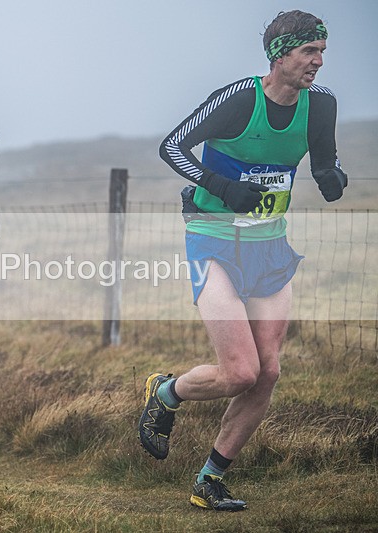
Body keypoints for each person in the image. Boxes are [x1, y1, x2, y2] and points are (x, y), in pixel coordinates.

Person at [142, 10, 346, 510]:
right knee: (239, 372)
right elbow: (173, 146)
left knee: (268, 371)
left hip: (270, 246)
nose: (318, 62)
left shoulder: (321, 105)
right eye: (308, 52)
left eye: (322, 52)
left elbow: (324, 158)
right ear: (279, 56)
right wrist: (221, 186)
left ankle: (209, 478)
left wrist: (331, 175)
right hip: (213, 240)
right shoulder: (238, 99)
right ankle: (166, 393)